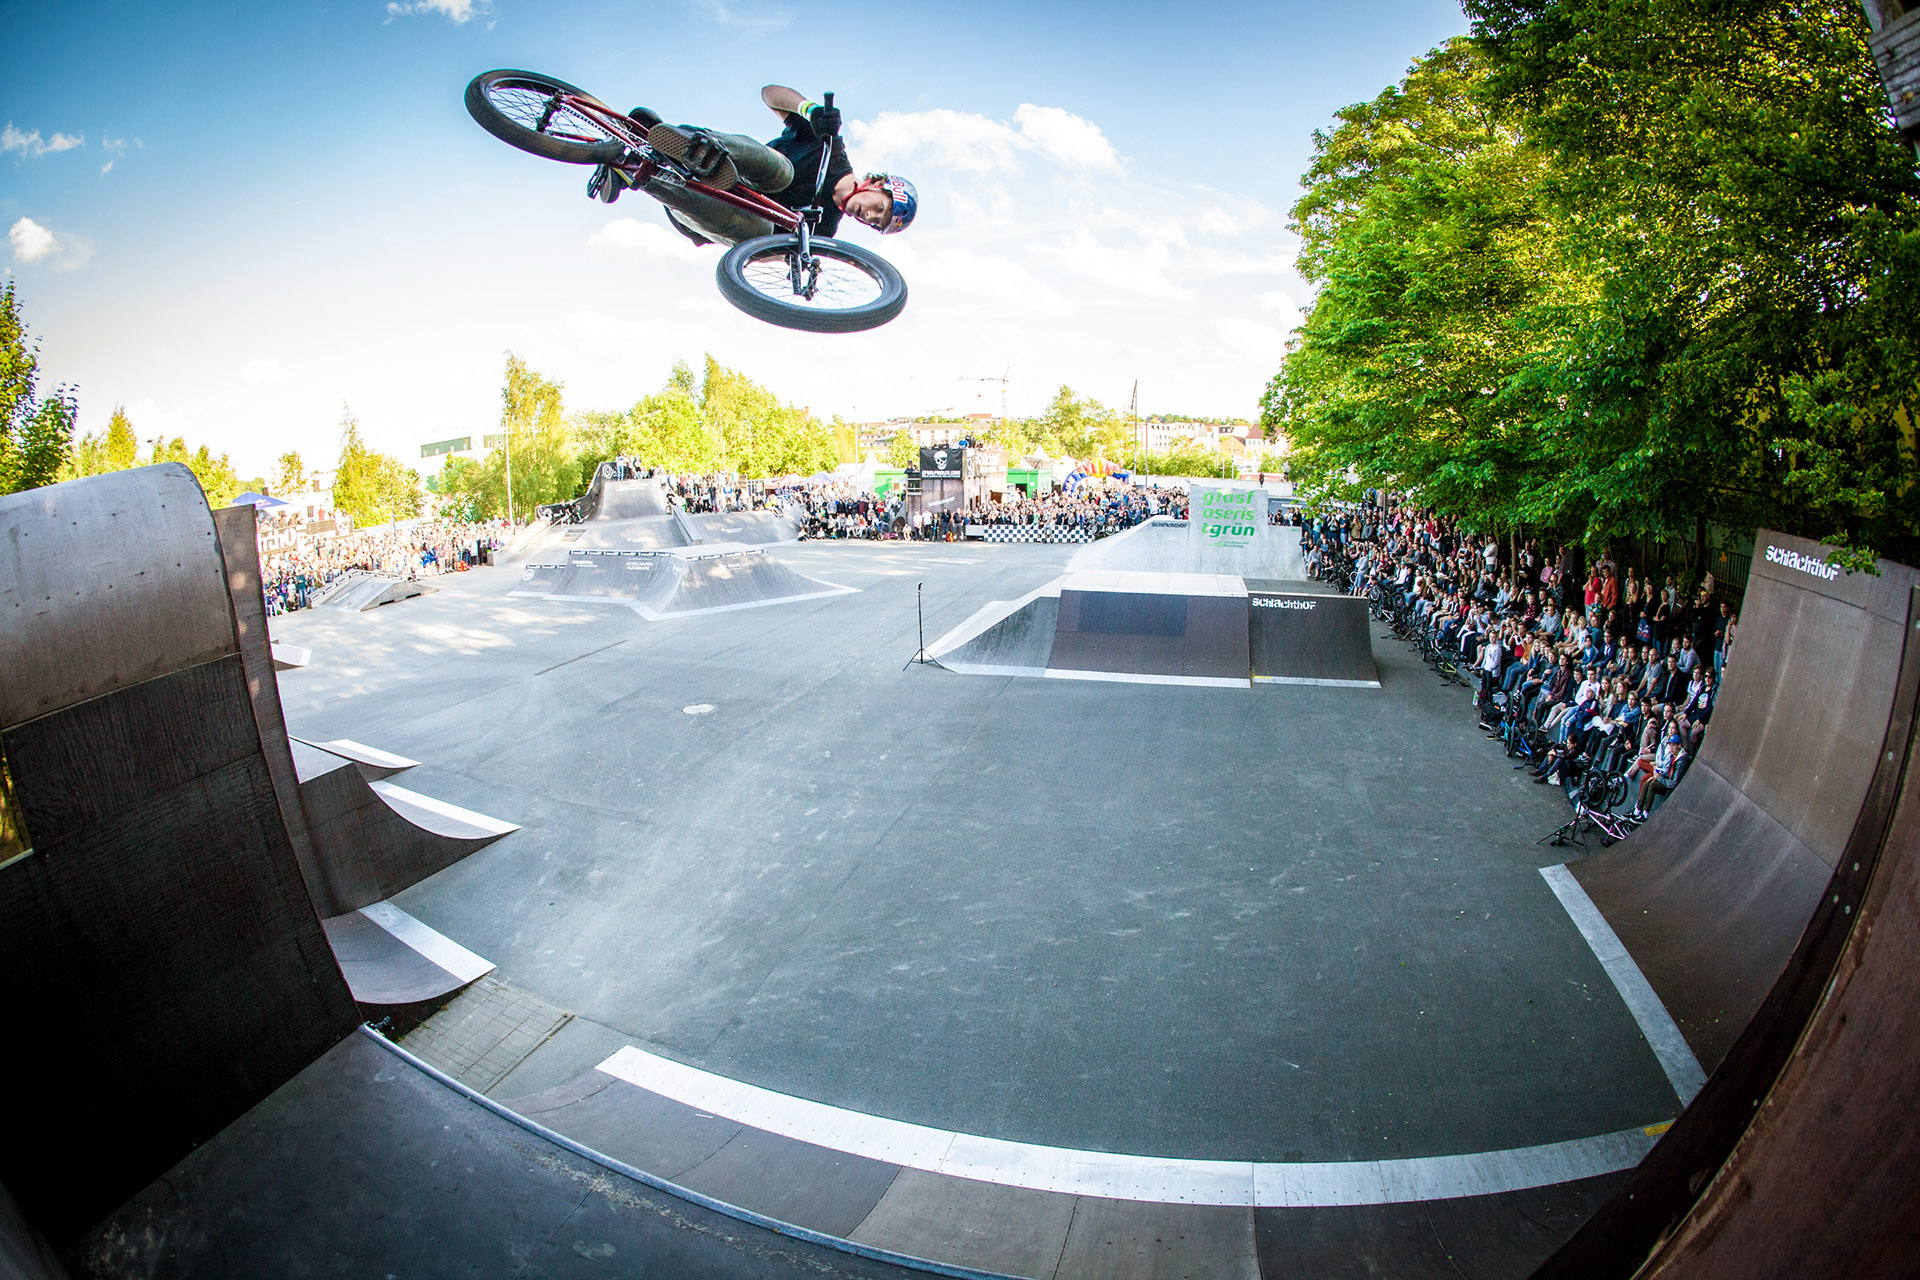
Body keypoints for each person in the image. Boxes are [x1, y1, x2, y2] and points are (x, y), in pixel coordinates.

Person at [587, 86, 918, 247]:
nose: (871, 218)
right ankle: (690, 146)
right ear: (877, 183)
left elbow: (766, 255)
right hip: (726, 164)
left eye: (877, 223)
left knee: (764, 233)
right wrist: (811, 110)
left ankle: (643, 174)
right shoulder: (826, 147)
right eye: (881, 209)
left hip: (705, 209)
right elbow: (770, 93)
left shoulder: (821, 230)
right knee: (782, 172)